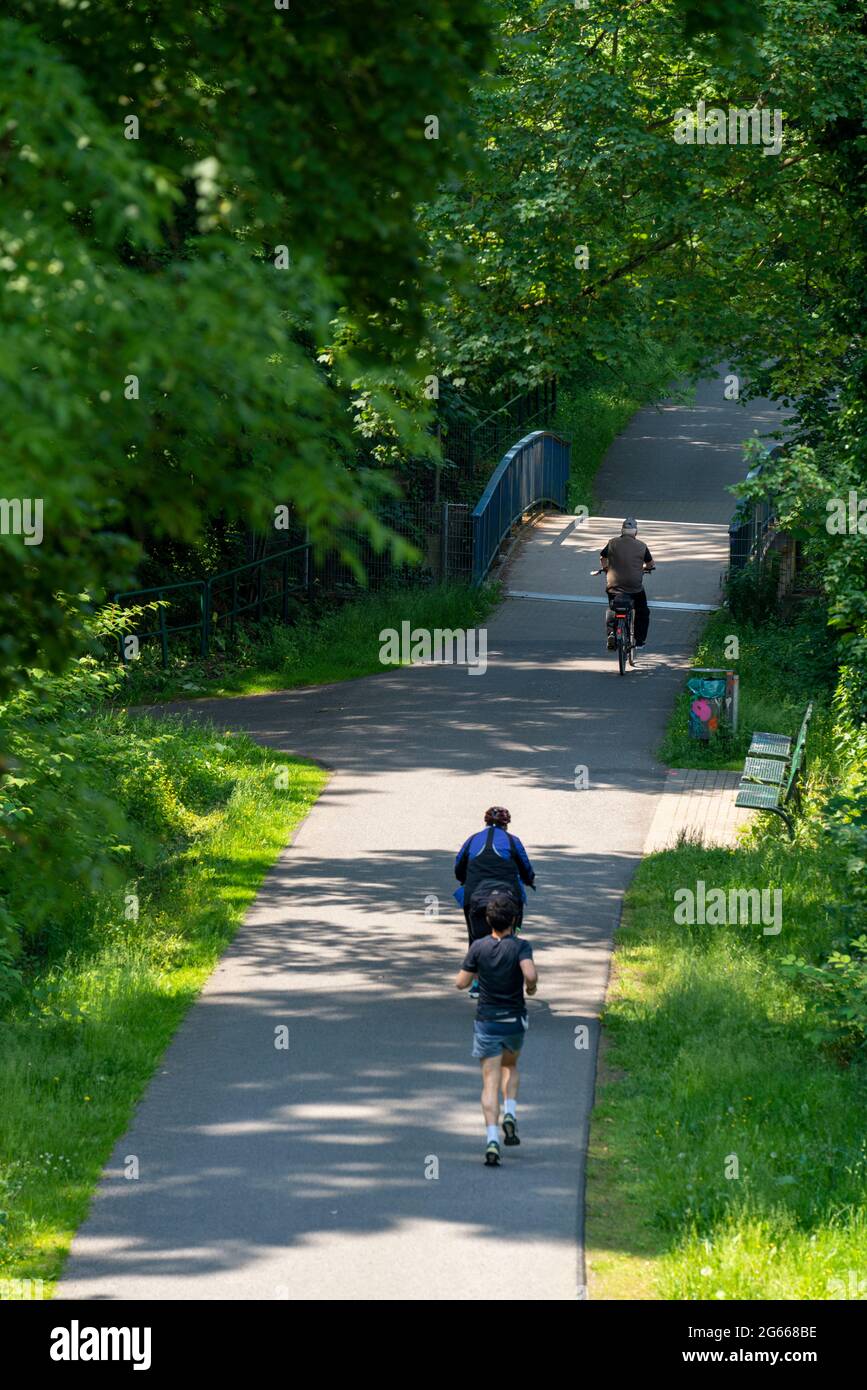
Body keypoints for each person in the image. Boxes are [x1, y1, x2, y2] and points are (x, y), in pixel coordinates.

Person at [455, 891, 538, 1166]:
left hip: (487, 1022)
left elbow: (461, 983)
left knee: (489, 1080)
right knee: (510, 1067)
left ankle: (492, 1139)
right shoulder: (520, 947)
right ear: (514, 919)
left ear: (488, 921)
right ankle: (511, 1113)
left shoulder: (478, 947)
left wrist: (476, 969)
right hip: (513, 1020)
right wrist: (531, 987)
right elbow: (530, 974)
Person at [454, 807, 536, 997]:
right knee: (509, 935)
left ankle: (476, 984)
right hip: (506, 897)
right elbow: (526, 868)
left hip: (475, 896)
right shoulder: (512, 841)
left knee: (475, 938)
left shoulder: (473, 839)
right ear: (505, 825)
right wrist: (529, 879)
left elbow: (458, 866)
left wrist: (464, 879)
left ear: (485, 822)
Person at [600, 517, 655, 649]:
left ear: (622, 531)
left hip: (614, 585)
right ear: (635, 532)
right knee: (642, 611)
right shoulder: (642, 546)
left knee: (613, 606)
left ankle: (612, 632)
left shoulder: (612, 543)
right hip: (634, 586)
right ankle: (639, 640)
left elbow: (603, 557)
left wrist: (606, 569)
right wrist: (646, 569)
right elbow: (650, 564)